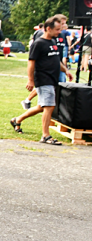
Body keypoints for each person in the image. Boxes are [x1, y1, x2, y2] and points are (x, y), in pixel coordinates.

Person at [10, 14, 73, 144]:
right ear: (48, 28)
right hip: (43, 79)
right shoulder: (38, 43)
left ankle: (17, 120)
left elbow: (56, 59)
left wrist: (66, 70)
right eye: (57, 29)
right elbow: (31, 62)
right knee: (49, 106)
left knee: (41, 106)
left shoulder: (53, 41)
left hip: (52, 78)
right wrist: (30, 80)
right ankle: (45, 136)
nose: (59, 32)